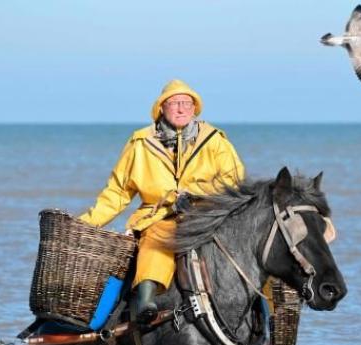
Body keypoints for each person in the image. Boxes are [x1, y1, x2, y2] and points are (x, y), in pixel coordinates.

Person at [78, 79, 245, 323]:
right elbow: (117, 192)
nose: (181, 109)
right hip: (158, 216)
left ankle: (265, 322)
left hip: (206, 213)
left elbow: (234, 181)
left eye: (187, 103)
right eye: (175, 103)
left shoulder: (215, 141)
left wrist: (196, 193)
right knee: (157, 238)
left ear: (195, 108)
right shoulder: (140, 143)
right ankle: (146, 300)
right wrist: (86, 224)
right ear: (161, 107)